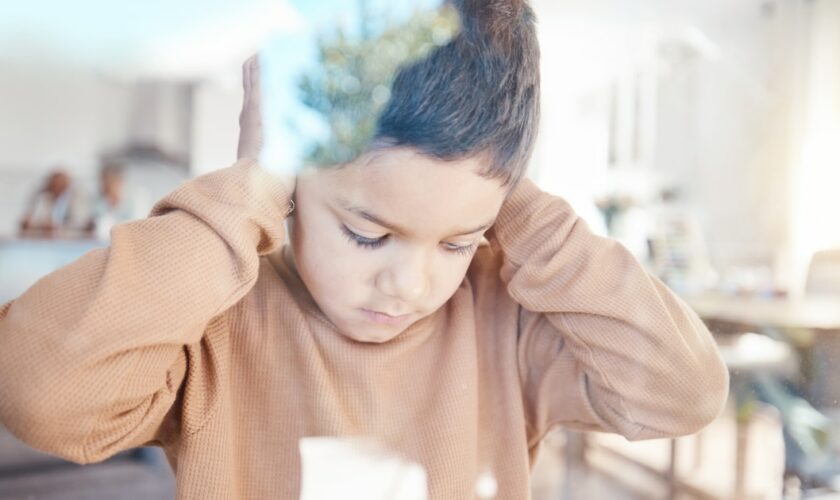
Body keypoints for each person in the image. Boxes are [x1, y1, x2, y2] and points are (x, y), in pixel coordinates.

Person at [0, 1, 729, 498]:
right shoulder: (214, 320)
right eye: (368, 234)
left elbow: (683, 394)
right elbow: (35, 391)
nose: (409, 284)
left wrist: (519, 207)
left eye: (457, 241)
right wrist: (247, 185)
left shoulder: (506, 321)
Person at [87, 162, 150, 240]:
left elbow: (140, 227)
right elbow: (95, 226)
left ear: (119, 182)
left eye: (108, 183)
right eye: (103, 183)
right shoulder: (99, 201)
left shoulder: (136, 199)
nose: (104, 187)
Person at [18, 169, 90, 237]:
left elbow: (82, 223)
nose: (57, 187)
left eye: (61, 184)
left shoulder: (76, 198)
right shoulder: (43, 199)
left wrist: (58, 227)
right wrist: (41, 226)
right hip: (45, 242)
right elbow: (29, 222)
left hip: (70, 241)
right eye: (55, 184)